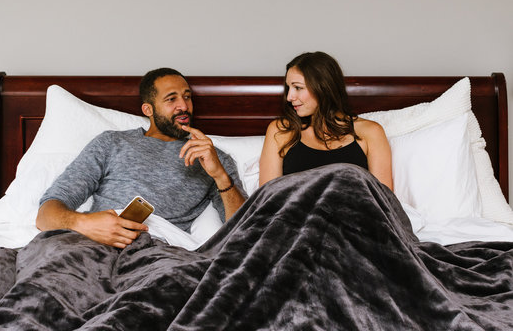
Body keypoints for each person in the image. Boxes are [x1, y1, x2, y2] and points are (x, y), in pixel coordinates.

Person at [36, 68, 247, 249]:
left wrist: (220, 175)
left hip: (156, 251)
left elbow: (245, 227)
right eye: (171, 99)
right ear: (148, 109)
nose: (183, 106)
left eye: (187, 96)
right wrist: (84, 224)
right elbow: (46, 214)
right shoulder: (111, 143)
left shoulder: (211, 157)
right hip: (92, 245)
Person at [259, 51, 393, 190]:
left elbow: (384, 200)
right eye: (288, 88)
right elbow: (267, 199)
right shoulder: (280, 130)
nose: (289, 97)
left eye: (298, 87)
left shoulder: (370, 132)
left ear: (323, 88)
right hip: (296, 211)